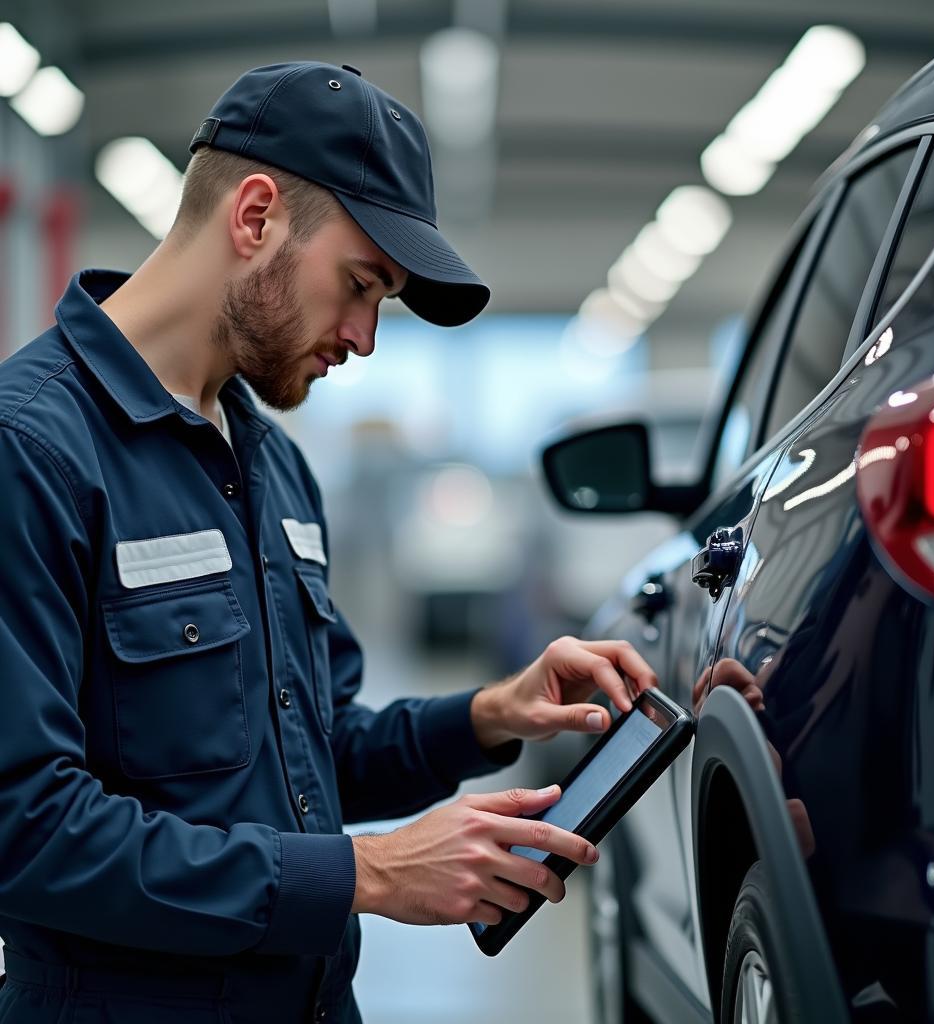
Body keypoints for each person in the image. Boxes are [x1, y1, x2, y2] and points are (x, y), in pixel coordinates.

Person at [0, 61, 659, 1023]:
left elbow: (306, 753)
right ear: (256, 216)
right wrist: (371, 873)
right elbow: (25, 828)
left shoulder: (272, 467)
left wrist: (489, 715)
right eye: (361, 284)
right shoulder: (34, 449)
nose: (364, 337)